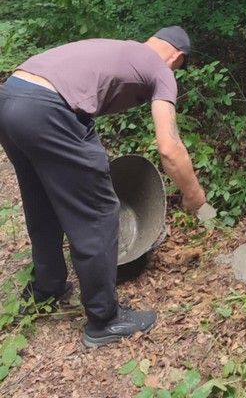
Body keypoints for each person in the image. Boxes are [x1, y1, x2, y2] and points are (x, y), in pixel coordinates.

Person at [0, 26, 206, 348]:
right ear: (177, 57)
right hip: (47, 109)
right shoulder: (159, 69)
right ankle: (104, 320)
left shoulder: (120, 49)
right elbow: (169, 147)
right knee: (99, 212)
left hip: (11, 95)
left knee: (41, 200)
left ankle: (47, 288)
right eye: (178, 68)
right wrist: (194, 195)